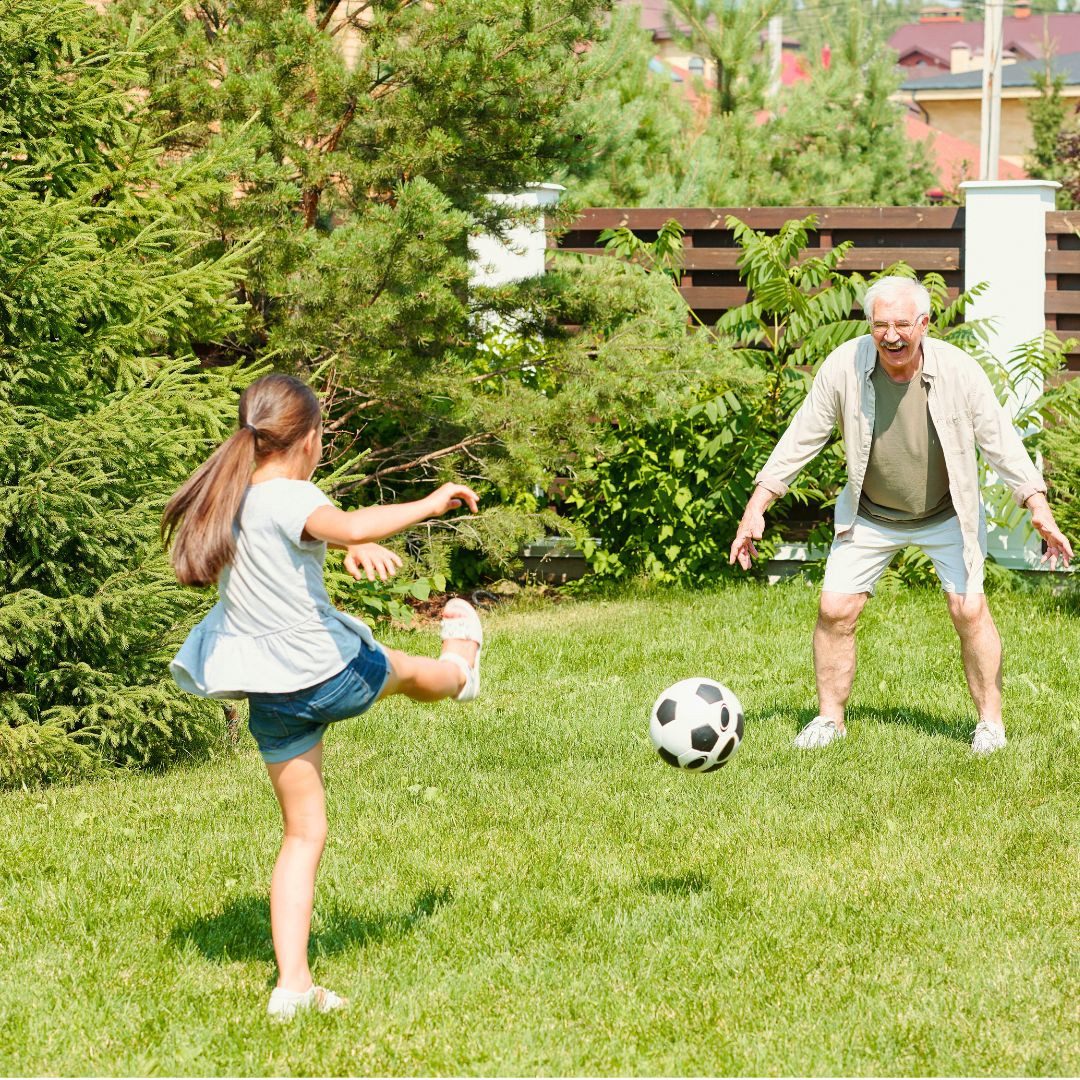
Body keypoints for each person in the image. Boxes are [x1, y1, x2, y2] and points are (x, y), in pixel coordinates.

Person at [162, 373, 484, 1020]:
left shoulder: (230, 499)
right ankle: (463, 664)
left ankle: (293, 987)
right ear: (308, 440)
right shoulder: (292, 494)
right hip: (327, 672)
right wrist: (431, 501)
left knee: (302, 834)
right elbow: (344, 519)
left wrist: (352, 544)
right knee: (408, 672)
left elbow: (313, 538)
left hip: (271, 696)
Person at [729, 276, 1072, 755]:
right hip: (870, 514)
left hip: (946, 513)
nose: (891, 335)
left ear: (924, 325)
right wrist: (755, 508)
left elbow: (1001, 442)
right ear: (870, 326)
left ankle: (990, 725)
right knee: (834, 609)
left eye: (902, 324)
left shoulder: (959, 371)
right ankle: (830, 720)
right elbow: (800, 438)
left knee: (969, 609)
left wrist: (1036, 506)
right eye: (880, 324)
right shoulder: (844, 367)